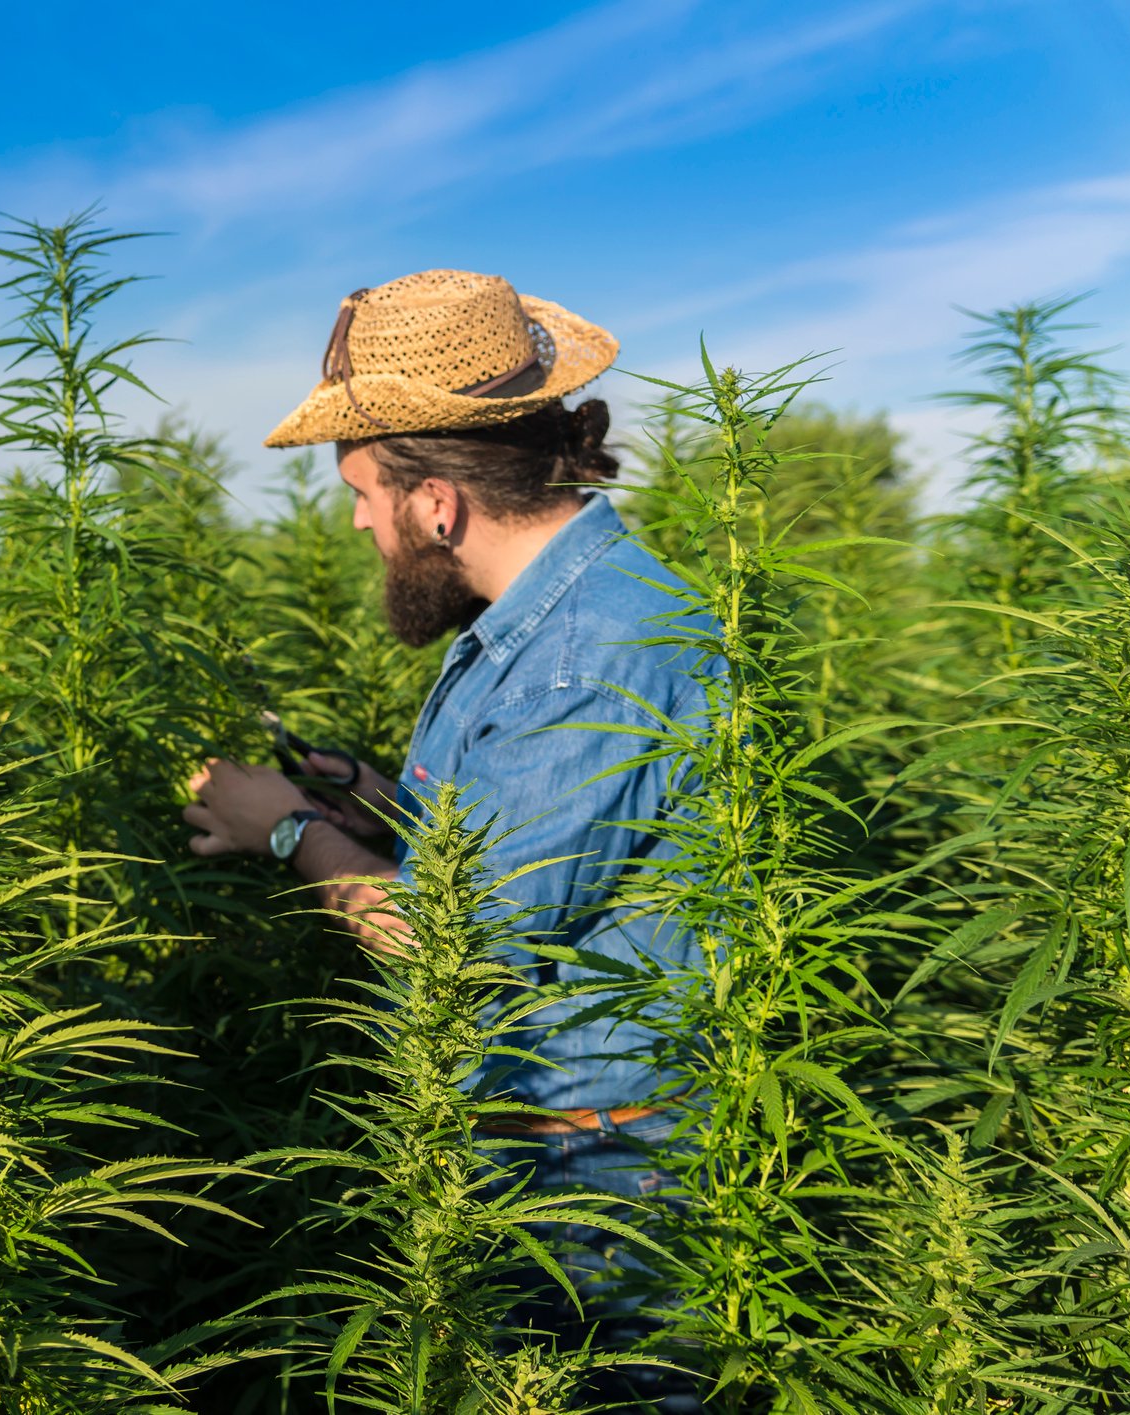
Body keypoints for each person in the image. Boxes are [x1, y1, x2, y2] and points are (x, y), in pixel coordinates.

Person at [182, 271, 705, 1403]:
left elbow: (457, 943)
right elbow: (544, 850)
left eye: (362, 495)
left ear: (436, 502)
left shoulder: (585, 653)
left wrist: (285, 835)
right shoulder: (542, 621)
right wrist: (366, 799)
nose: (362, 522)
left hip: (593, 1175)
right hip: (550, 1139)